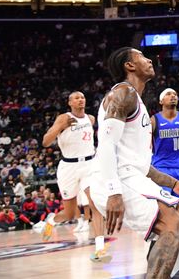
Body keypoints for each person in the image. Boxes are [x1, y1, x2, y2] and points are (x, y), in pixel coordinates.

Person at [88, 47, 179, 279]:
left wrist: (175, 184)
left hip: (132, 177)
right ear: (129, 65)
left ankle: (158, 275)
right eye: (142, 57)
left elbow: (140, 165)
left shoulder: (136, 100)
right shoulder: (123, 94)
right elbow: (106, 145)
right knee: (175, 224)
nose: (149, 60)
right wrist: (113, 192)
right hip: (116, 179)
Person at [38, 91, 109, 261]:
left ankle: (100, 248)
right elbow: (45, 142)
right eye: (76, 98)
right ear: (70, 102)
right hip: (69, 167)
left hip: (89, 165)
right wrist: (60, 128)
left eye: (83, 97)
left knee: (95, 204)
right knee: (69, 214)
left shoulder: (91, 119)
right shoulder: (63, 118)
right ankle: (51, 222)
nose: (81, 100)